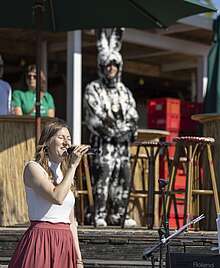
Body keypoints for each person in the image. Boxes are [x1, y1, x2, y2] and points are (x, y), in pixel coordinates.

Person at [9, 119, 89, 267]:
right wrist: (73, 166)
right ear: (47, 142)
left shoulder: (66, 175)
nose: (66, 142)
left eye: (69, 138)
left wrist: (78, 259)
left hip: (65, 241)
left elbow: (71, 221)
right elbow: (56, 197)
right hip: (42, 239)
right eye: (61, 137)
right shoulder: (33, 168)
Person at [84, 28, 139, 227]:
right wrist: (113, 132)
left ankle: (120, 214)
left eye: (114, 64)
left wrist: (127, 131)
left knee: (124, 174)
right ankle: (99, 213)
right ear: (101, 66)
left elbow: (133, 116)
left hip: (122, 146)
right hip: (102, 144)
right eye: (106, 64)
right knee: (104, 171)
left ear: (119, 66)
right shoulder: (93, 89)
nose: (110, 68)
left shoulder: (125, 91)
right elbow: (93, 118)